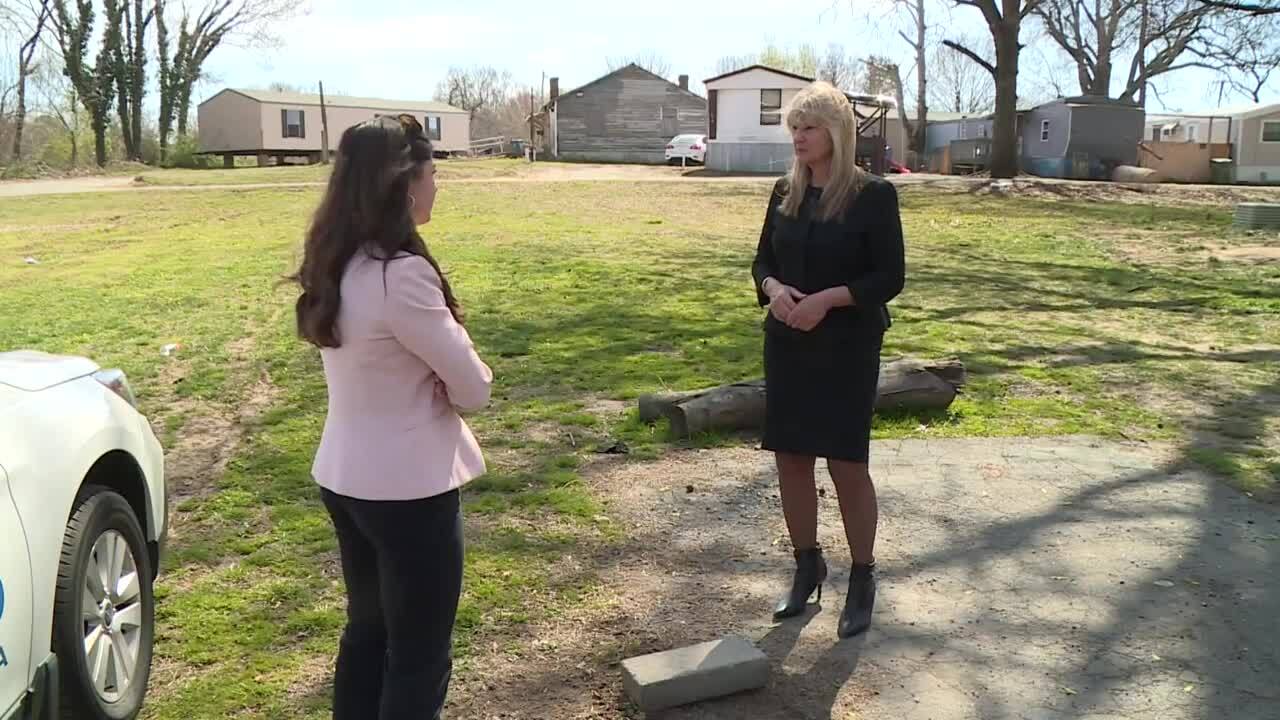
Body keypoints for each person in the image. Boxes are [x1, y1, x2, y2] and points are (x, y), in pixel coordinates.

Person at [290, 114, 493, 719]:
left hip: (346, 479)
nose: (438, 185)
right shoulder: (399, 276)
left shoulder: (339, 264)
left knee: (368, 634)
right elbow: (474, 387)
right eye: (434, 172)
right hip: (408, 492)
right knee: (418, 654)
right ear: (405, 184)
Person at [750, 82, 905, 639]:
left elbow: (889, 278)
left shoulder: (873, 195)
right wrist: (773, 289)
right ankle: (806, 564)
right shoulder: (782, 193)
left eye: (809, 127)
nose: (799, 137)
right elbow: (761, 259)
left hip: (847, 344)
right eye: (794, 127)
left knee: (845, 462)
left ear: (835, 133)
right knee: (790, 457)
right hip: (788, 338)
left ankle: (862, 576)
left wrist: (828, 299)